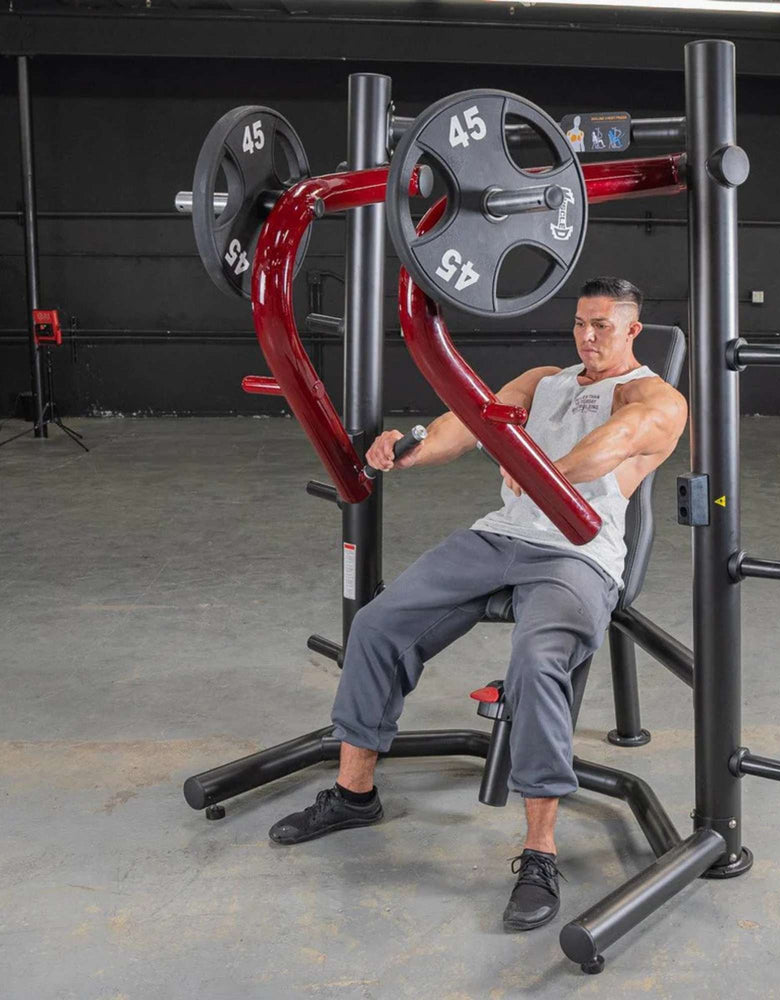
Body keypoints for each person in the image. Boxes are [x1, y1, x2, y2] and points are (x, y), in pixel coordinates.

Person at [269, 276, 688, 932]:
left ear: (633, 331)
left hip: (578, 554)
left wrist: (541, 469)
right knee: (378, 624)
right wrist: (409, 450)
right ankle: (354, 796)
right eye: (580, 323)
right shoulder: (546, 378)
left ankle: (540, 852)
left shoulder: (655, 398)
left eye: (602, 326)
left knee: (535, 660)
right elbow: (469, 421)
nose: (587, 336)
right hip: (501, 537)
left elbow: (617, 442)